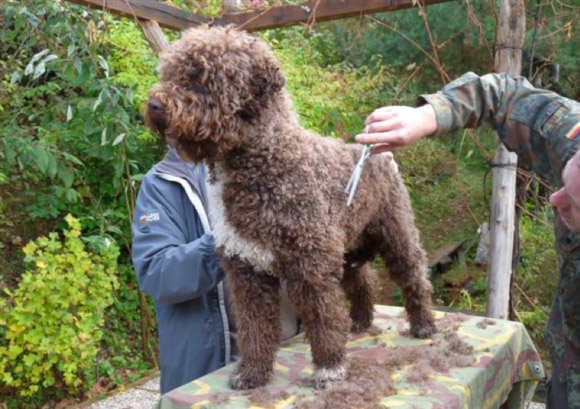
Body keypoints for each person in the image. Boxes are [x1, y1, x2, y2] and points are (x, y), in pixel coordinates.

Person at [355, 71, 580, 408]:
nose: (553, 199)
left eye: (573, 202)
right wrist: (428, 116)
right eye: (565, 178)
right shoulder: (572, 136)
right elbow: (502, 95)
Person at [131, 146, 300, 394]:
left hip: (291, 357)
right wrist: (226, 238)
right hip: (210, 374)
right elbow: (157, 274)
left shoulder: (278, 162)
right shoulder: (163, 183)